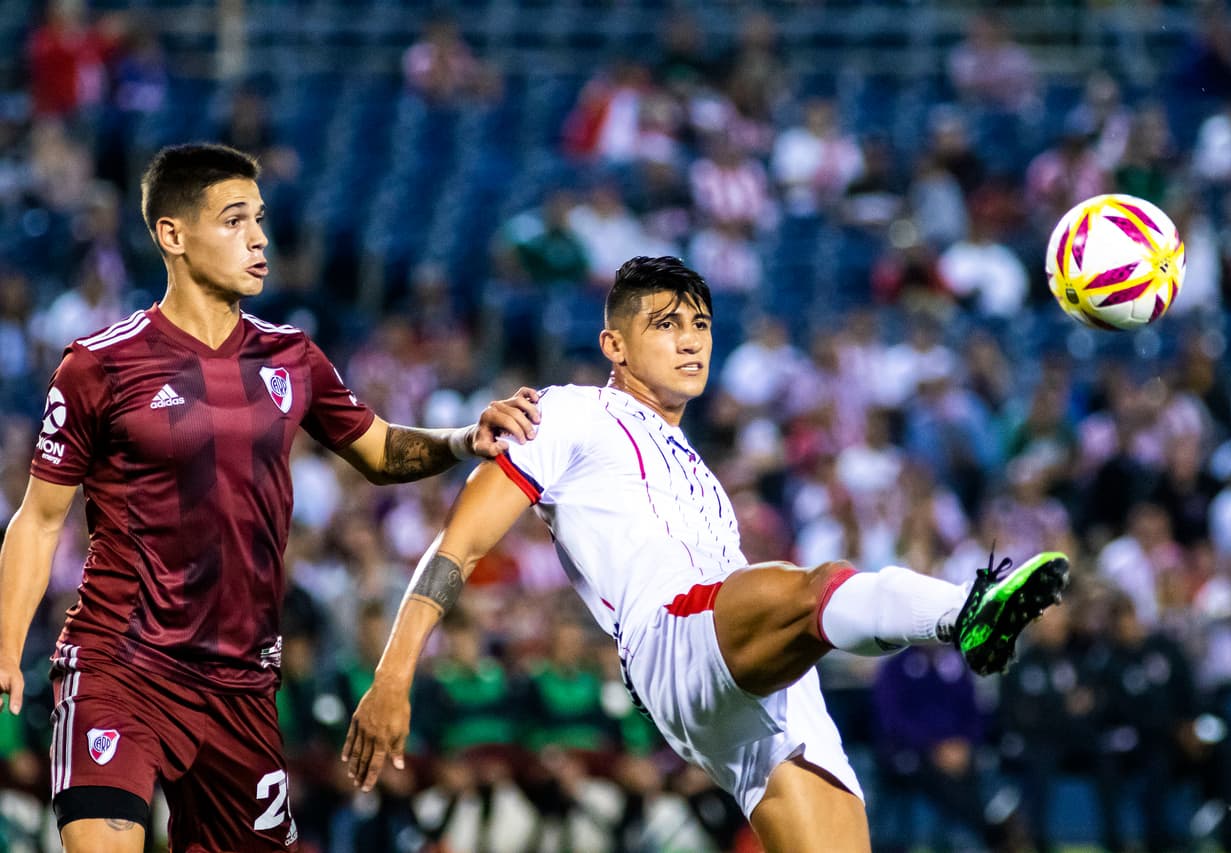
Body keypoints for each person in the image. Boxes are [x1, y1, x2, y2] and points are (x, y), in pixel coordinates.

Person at [344, 256, 1070, 852]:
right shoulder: (564, 411)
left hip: (749, 679)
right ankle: (966, 613)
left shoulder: (699, 470)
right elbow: (459, 545)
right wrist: (393, 674)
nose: (691, 341)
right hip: (674, 635)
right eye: (666, 325)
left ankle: (965, 615)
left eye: (701, 324)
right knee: (814, 587)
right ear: (614, 345)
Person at [0, 142, 540, 853]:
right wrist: (6, 647)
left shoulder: (292, 356)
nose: (258, 238)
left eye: (259, 219)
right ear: (172, 235)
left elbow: (379, 450)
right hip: (120, 665)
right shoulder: (101, 364)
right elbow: (40, 520)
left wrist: (465, 438)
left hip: (243, 685)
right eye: (234, 221)